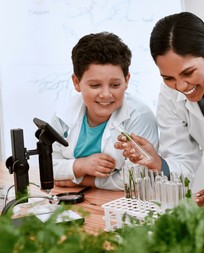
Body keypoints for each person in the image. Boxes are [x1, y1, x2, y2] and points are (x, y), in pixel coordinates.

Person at [114, 12, 204, 197]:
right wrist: (157, 162)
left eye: (188, 73)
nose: (180, 86)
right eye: (168, 78)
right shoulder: (169, 94)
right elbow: (183, 160)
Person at [51, 32, 159, 190]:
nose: (106, 94)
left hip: (123, 204)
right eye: (95, 85)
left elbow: (138, 179)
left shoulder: (140, 117)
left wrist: (80, 180)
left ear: (126, 80)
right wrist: (80, 166)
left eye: (115, 85)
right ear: (76, 82)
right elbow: (47, 167)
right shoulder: (63, 115)